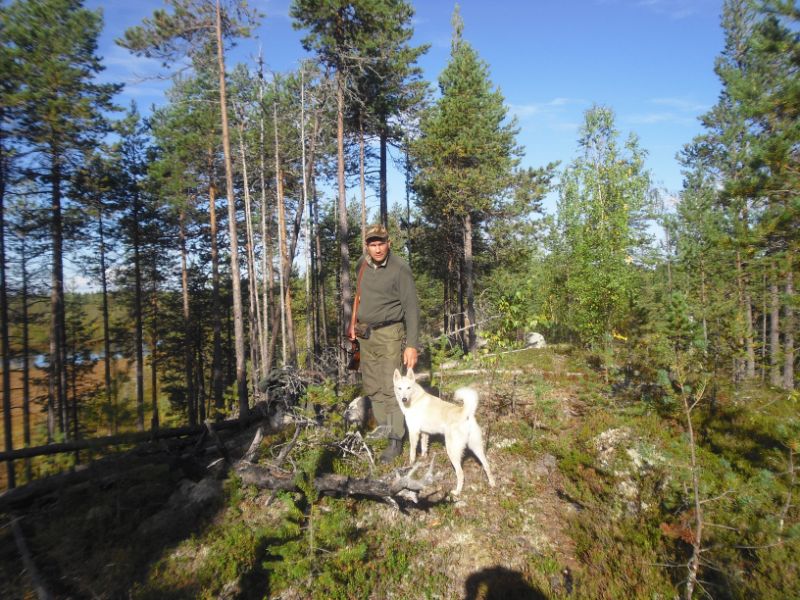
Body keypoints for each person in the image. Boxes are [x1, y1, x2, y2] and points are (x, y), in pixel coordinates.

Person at [349, 224, 420, 463]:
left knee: (393, 387)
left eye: (381, 243)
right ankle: (384, 428)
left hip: (391, 334)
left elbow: (411, 308)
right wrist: (353, 327)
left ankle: (396, 439)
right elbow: (358, 297)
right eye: (373, 244)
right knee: (372, 385)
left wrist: (411, 344)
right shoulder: (361, 265)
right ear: (367, 246)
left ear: (389, 243)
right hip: (365, 336)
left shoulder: (400, 269)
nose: (377, 249)